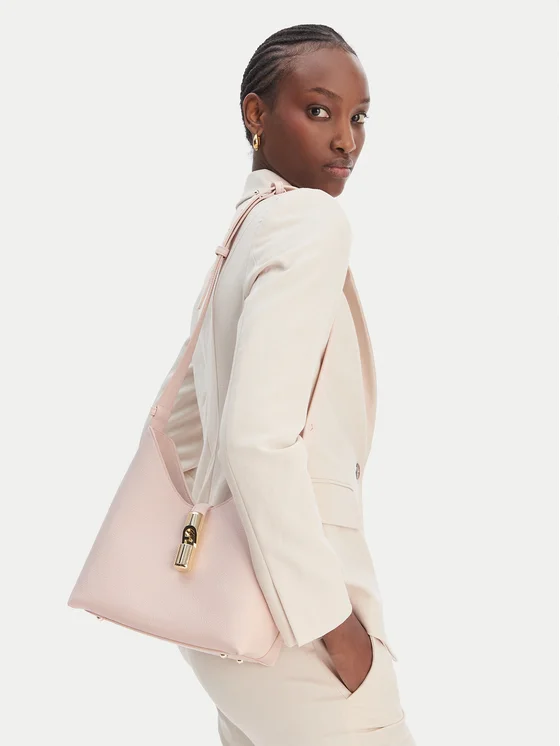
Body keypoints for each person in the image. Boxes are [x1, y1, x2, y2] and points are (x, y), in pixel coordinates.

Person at [170, 23, 417, 746]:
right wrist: (335, 627)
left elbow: (184, 426)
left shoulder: (241, 235)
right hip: (294, 620)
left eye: (359, 117)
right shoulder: (309, 221)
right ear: (256, 114)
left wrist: (186, 558)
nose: (346, 139)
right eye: (319, 110)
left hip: (217, 615)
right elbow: (253, 439)